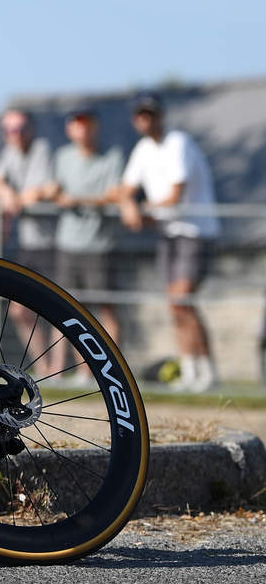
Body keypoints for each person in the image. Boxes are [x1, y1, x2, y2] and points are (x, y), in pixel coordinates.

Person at [116, 91, 221, 392]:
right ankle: (190, 371)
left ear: (160, 116)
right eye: (140, 114)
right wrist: (129, 204)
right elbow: (126, 188)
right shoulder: (142, 149)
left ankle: (208, 371)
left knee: (181, 298)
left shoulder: (179, 143)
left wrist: (142, 207)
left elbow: (175, 196)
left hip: (195, 232)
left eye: (150, 113)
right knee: (176, 306)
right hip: (168, 234)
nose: (145, 119)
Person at [40, 107, 124, 381]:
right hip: (68, 243)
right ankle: (67, 371)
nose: (81, 129)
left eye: (86, 124)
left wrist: (78, 199)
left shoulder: (112, 156)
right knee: (68, 307)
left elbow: (115, 195)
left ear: (95, 128)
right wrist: (51, 193)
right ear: (70, 129)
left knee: (105, 307)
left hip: (100, 245)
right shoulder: (62, 157)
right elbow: (53, 189)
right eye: (76, 124)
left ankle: (112, 372)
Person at [0, 109, 55, 373]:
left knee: (59, 313)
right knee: (20, 311)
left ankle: (58, 373)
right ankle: (46, 370)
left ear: (32, 129)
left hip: (53, 244)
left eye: (21, 128)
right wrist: (5, 190)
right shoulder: (11, 153)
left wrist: (16, 198)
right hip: (28, 245)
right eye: (11, 130)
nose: (17, 134)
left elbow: (46, 190)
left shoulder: (42, 149)